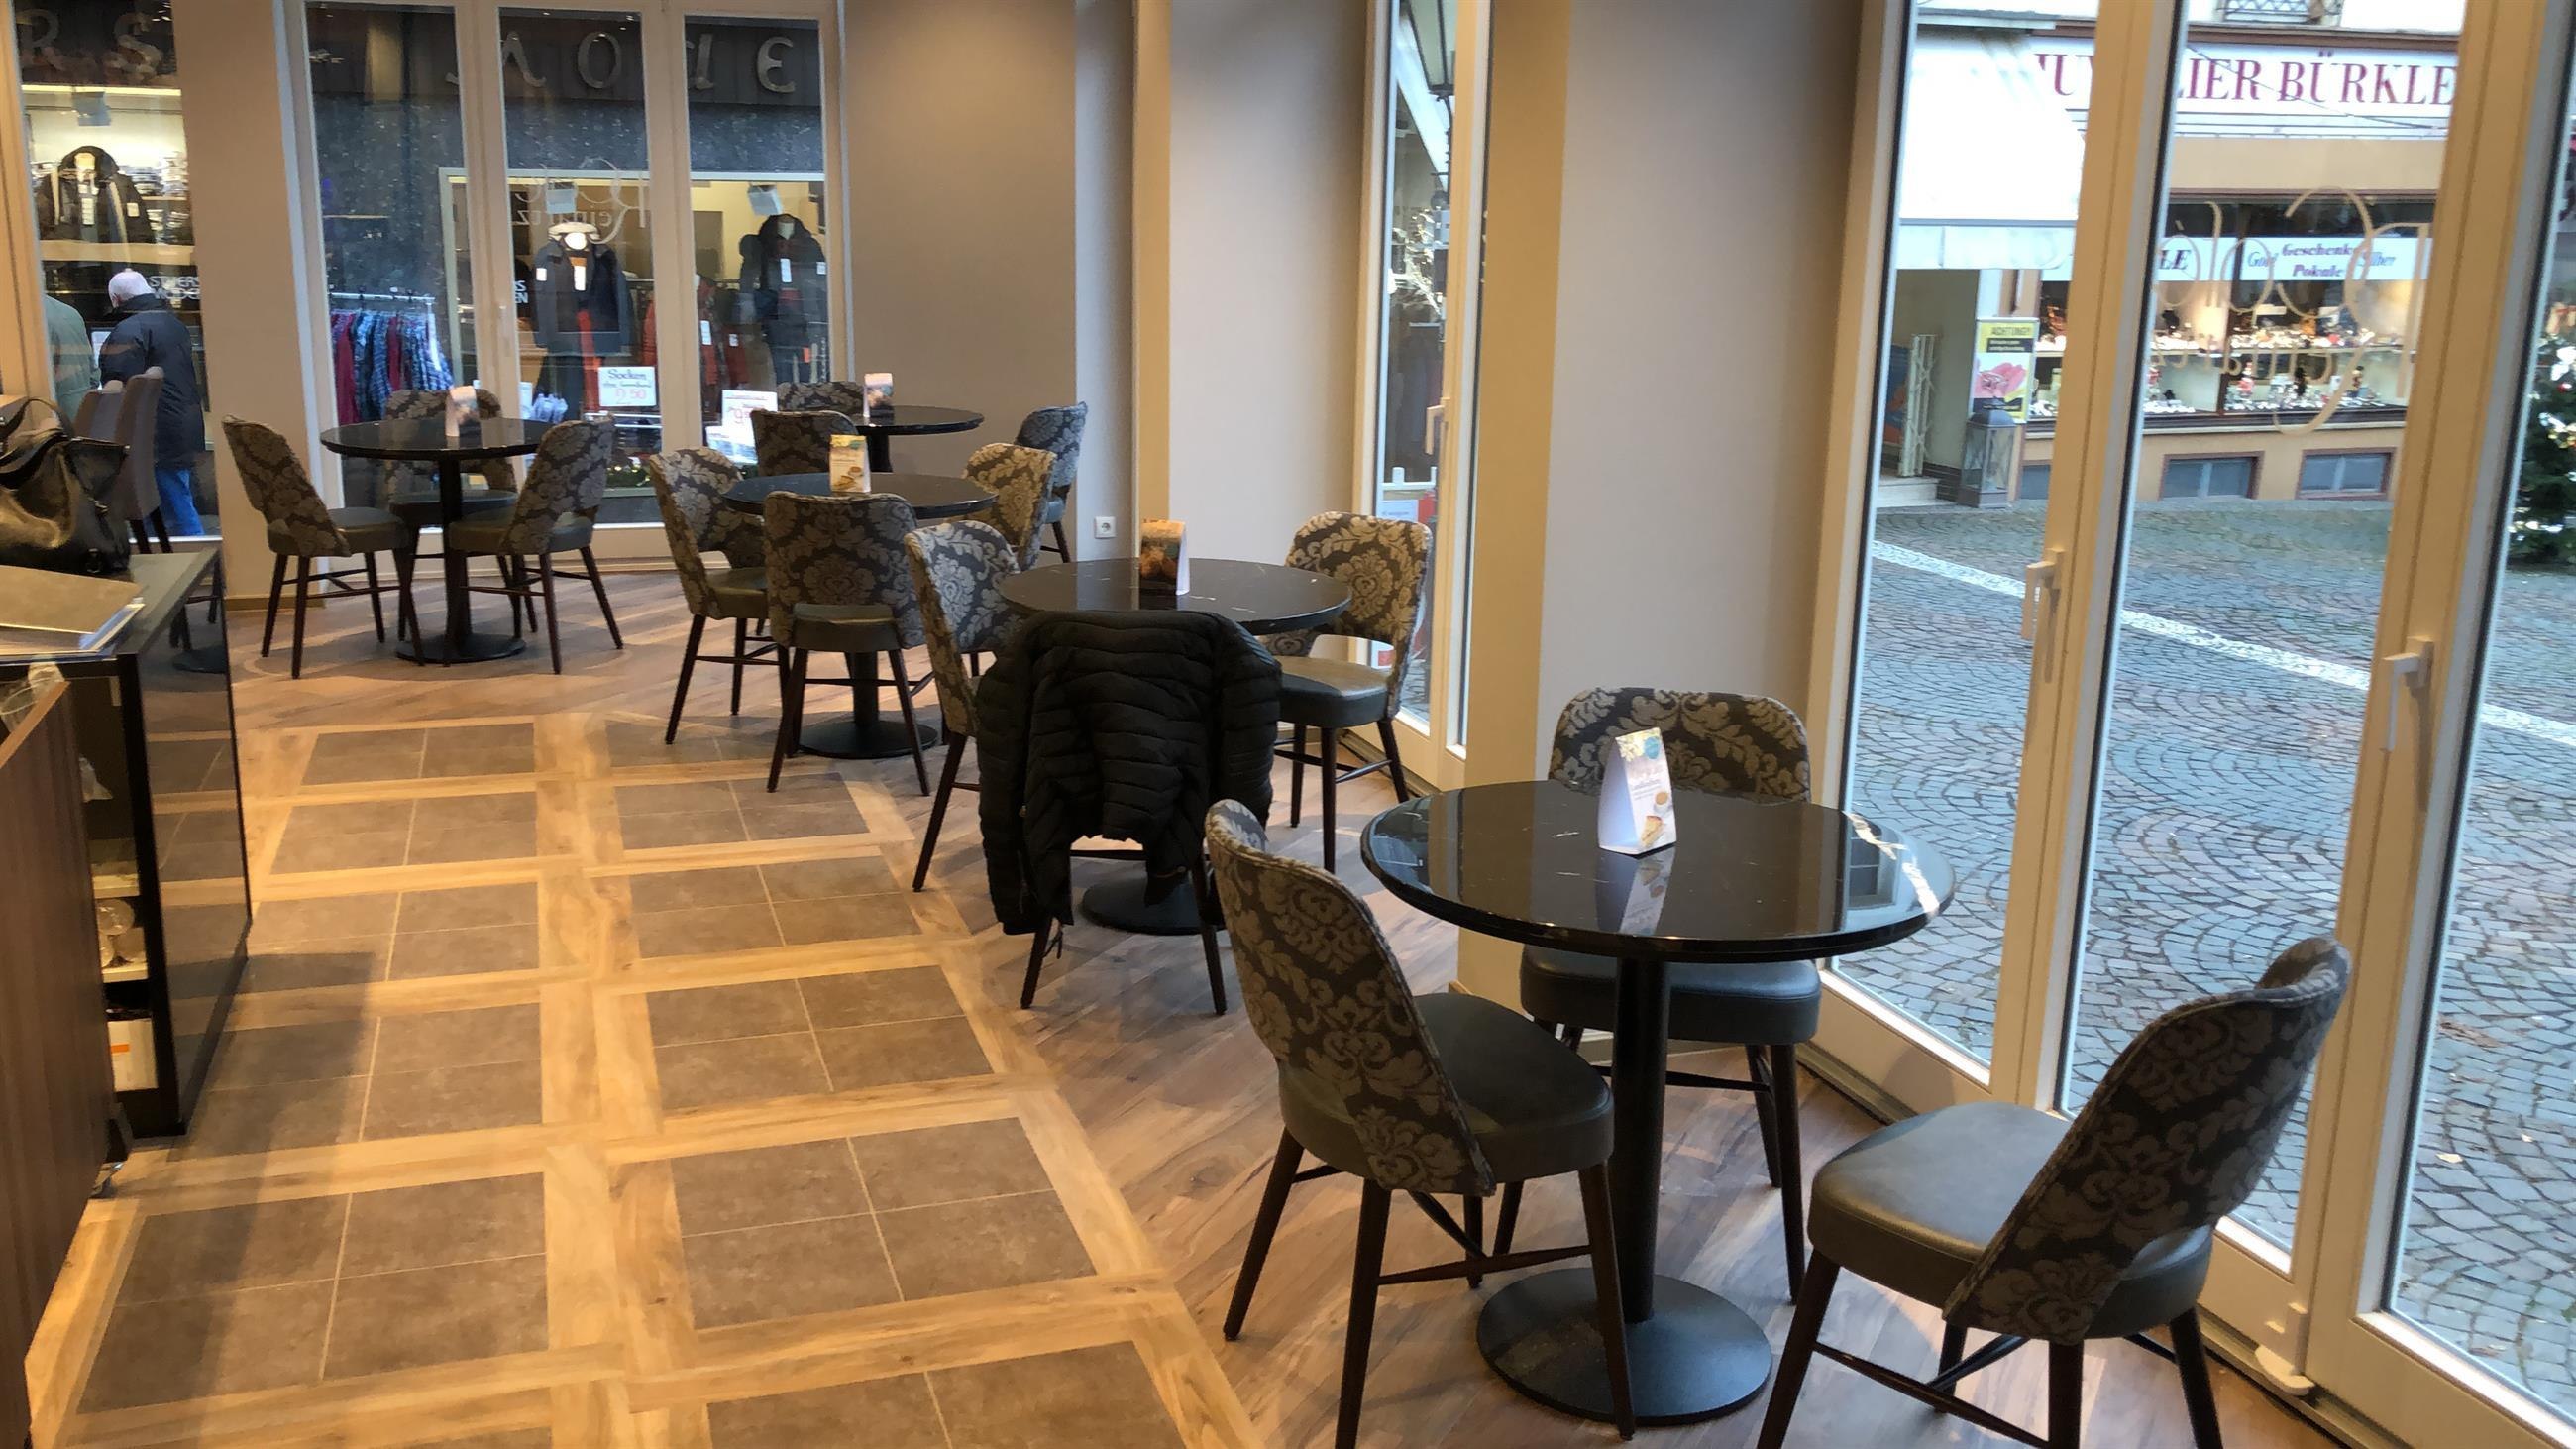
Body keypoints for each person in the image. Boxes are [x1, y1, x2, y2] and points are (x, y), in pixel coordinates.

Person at [97, 269, 205, 535]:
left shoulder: (127, 330)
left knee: (174, 504)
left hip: (155, 432)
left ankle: (202, 553)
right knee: (171, 500)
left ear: (116, 300)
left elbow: (117, 385)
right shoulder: (173, 322)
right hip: (181, 423)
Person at [43, 293, 96, 418]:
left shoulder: (21, 318)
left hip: (50, 419)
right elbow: (93, 375)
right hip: (82, 416)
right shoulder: (70, 312)